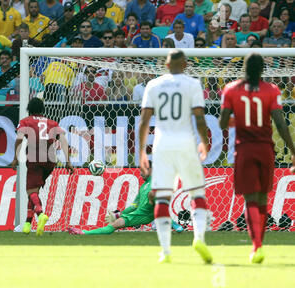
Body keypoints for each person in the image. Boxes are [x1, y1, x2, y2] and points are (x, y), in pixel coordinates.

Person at [219, 53, 295, 264]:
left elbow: (223, 123)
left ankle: (256, 247)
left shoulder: (231, 90)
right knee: (262, 199)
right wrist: (293, 150)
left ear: (243, 68)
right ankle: (259, 244)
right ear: (263, 70)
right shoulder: (272, 90)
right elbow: (280, 124)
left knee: (250, 199)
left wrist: (237, 121)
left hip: (244, 149)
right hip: (265, 149)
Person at [138, 49, 212, 264]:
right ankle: (198, 238)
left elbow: (144, 120)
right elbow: (199, 118)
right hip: (186, 142)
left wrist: (142, 150)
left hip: (162, 145)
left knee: (162, 196)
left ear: (167, 65)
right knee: (197, 194)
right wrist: (205, 142)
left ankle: (166, 252)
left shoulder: (154, 85)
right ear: (186, 65)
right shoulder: (193, 84)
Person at [11, 97, 74, 235]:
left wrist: (15, 157)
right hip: (51, 159)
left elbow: (20, 138)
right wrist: (68, 161)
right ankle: (27, 224)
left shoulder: (25, 121)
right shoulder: (52, 122)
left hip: (34, 157)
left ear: (29, 108)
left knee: (31, 190)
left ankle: (40, 214)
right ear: (42, 109)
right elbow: (63, 140)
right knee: (35, 191)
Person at [68, 166, 184, 235]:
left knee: (153, 193)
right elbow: (134, 206)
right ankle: (84, 233)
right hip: (141, 214)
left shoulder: (155, 178)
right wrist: (118, 215)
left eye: (143, 170)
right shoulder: (143, 187)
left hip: (153, 206)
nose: (141, 173)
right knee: (115, 224)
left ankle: (171, 222)